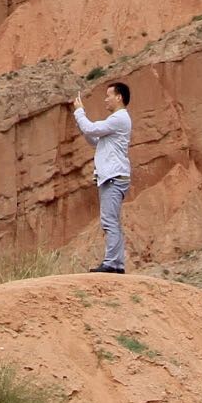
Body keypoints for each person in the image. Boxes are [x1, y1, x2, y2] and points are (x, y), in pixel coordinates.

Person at [73, 80, 133, 272]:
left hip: (114, 177)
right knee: (111, 220)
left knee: (109, 221)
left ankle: (112, 264)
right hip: (112, 176)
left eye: (108, 96)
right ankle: (116, 264)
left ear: (119, 97)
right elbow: (94, 139)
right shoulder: (116, 123)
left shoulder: (119, 118)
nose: (105, 100)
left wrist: (79, 112)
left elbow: (91, 129)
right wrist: (81, 122)